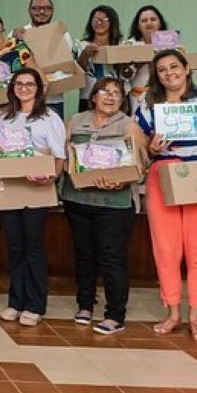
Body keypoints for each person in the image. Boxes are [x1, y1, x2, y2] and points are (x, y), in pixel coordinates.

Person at [134, 49, 197, 341]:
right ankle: (173, 312)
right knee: (166, 249)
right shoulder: (149, 105)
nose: (169, 73)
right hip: (162, 177)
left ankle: (196, 315)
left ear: (187, 68)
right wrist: (151, 148)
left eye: (174, 66)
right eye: (162, 69)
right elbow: (139, 146)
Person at [61, 77, 148, 335]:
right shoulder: (76, 121)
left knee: (112, 258)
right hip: (78, 199)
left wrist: (119, 179)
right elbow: (63, 155)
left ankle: (114, 315)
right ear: (93, 96)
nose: (110, 97)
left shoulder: (129, 125)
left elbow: (141, 164)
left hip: (115, 204)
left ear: (122, 100)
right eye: (104, 92)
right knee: (84, 255)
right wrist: (71, 168)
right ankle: (85, 305)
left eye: (116, 93)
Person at [0, 68, 67, 327]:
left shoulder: (49, 118)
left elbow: (60, 156)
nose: (24, 88)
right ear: (12, 88)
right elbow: (2, 152)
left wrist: (51, 178)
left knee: (33, 247)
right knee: (15, 246)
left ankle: (35, 304)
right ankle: (16, 301)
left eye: (30, 84)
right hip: (11, 189)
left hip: (38, 189)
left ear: (39, 89)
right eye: (19, 84)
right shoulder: (5, 119)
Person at [16, 0, 77, 117]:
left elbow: (67, 62)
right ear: (29, 11)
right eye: (36, 8)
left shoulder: (61, 33)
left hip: (54, 98)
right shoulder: (19, 33)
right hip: (25, 98)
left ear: (52, 11)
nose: (42, 12)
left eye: (47, 8)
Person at [74, 5, 124, 112]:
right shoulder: (80, 45)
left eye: (104, 19)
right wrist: (85, 54)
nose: (99, 22)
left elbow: (127, 75)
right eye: (95, 19)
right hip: (88, 97)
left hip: (115, 97)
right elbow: (76, 72)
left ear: (112, 22)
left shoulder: (121, 45)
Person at [122, 5, 170, 111]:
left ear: (160, 23)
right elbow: (122, 76)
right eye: (144, 20)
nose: (149, 23)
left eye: (153, 19)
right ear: (138, 26)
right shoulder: (129, 45)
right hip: (138, 96)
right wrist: (137, 65)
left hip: (167, 93)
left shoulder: (170, 43)